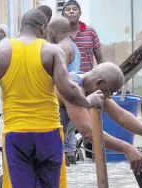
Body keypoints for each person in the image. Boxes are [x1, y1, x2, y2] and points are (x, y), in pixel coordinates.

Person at [0, 9, 104, 188]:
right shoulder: (51, 51)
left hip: (15, 134)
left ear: (22, 26)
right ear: (43, 28)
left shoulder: (0, 52)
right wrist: (88, 101)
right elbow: (67, 89)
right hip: (48, 132)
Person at [62, 0, 105, 163]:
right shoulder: (60, 36)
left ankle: (93, 158)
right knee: (69, 120)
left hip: (89, 84)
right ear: (63, 14)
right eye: (68, 9)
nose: (71, 12)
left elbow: (100, 59)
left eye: (75, 9)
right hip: (68, 86)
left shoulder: (90, 32)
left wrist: (102, 81)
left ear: (80, 13)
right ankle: (70, 153)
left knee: (91, 119)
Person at [48, 16, 81, 165]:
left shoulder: (61, 48)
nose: (48, 34)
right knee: (68, 138)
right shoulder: (73, 46)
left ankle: (63, 171)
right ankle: (70, 171)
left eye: (49, 31)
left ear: (54, 30)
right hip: (71, 97)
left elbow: (59, 75)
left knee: (59, 138)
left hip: (63, 98)